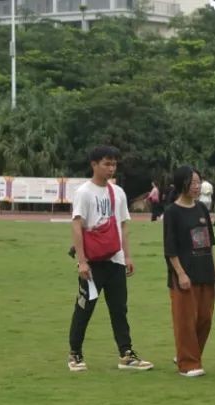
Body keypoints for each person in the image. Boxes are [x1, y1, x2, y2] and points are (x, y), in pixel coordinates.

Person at [67, 145, 154, 373]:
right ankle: (75, 353)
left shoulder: (118, 193)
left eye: (114, 164)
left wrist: (127, 256)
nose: (111, 168)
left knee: (119, 309)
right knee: (84, 308)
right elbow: (77, 226)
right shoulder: (84, 193)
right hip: (92, 262)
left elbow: (122, 226)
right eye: (106, 163)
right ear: (94, 165)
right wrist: (82, 261)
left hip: (115, 260)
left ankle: (126, 354)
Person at [163, 165, 215, 377]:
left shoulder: (202, 209)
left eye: (198, 182)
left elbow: (209, 242)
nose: (197, 187)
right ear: (182, 185)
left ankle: (189, 355)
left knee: (205, 319)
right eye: (192, 183)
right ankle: (187, 364)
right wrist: (180, 273)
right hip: (185, 274)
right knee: (185, 321)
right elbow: (170, 248)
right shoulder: (172, 212)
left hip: (205, 271)